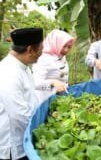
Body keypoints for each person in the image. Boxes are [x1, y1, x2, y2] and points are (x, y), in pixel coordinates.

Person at [0, 28, 43, 160]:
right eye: (41, 48)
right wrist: (40, 134)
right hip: (13, 146)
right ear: (30, 50)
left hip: (25, 138)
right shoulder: (9, 72)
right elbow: (19, 115)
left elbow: (30, 90)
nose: (42, 52)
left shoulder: (22, 66)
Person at [32, 29, 75, 104]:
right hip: (45, 101)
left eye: (69, 47)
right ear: (56, 43)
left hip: (60, 99)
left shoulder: (60, 55)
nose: (66, 50)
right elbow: (34, 84)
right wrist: (52, 83)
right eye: (64, 46)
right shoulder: (43, 59)